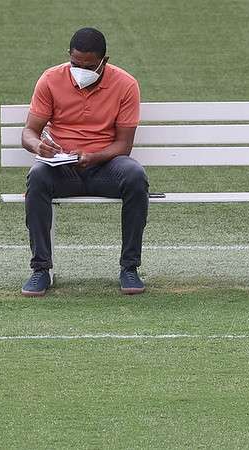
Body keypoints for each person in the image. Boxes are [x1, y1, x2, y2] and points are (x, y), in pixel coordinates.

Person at [20, 27, 148, 297]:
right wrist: (39, 146)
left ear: (105, 61)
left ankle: (129, 267)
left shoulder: (125, 84)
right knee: (37, 176)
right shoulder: (51, 79)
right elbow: (29, 132)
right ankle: (40, 269)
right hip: (62, 168)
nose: (80, 70)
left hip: (105, 167)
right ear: (69, 55)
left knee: (135, 175)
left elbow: (123, 145)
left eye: (89, 66)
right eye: (75, 63)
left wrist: (94, 156)